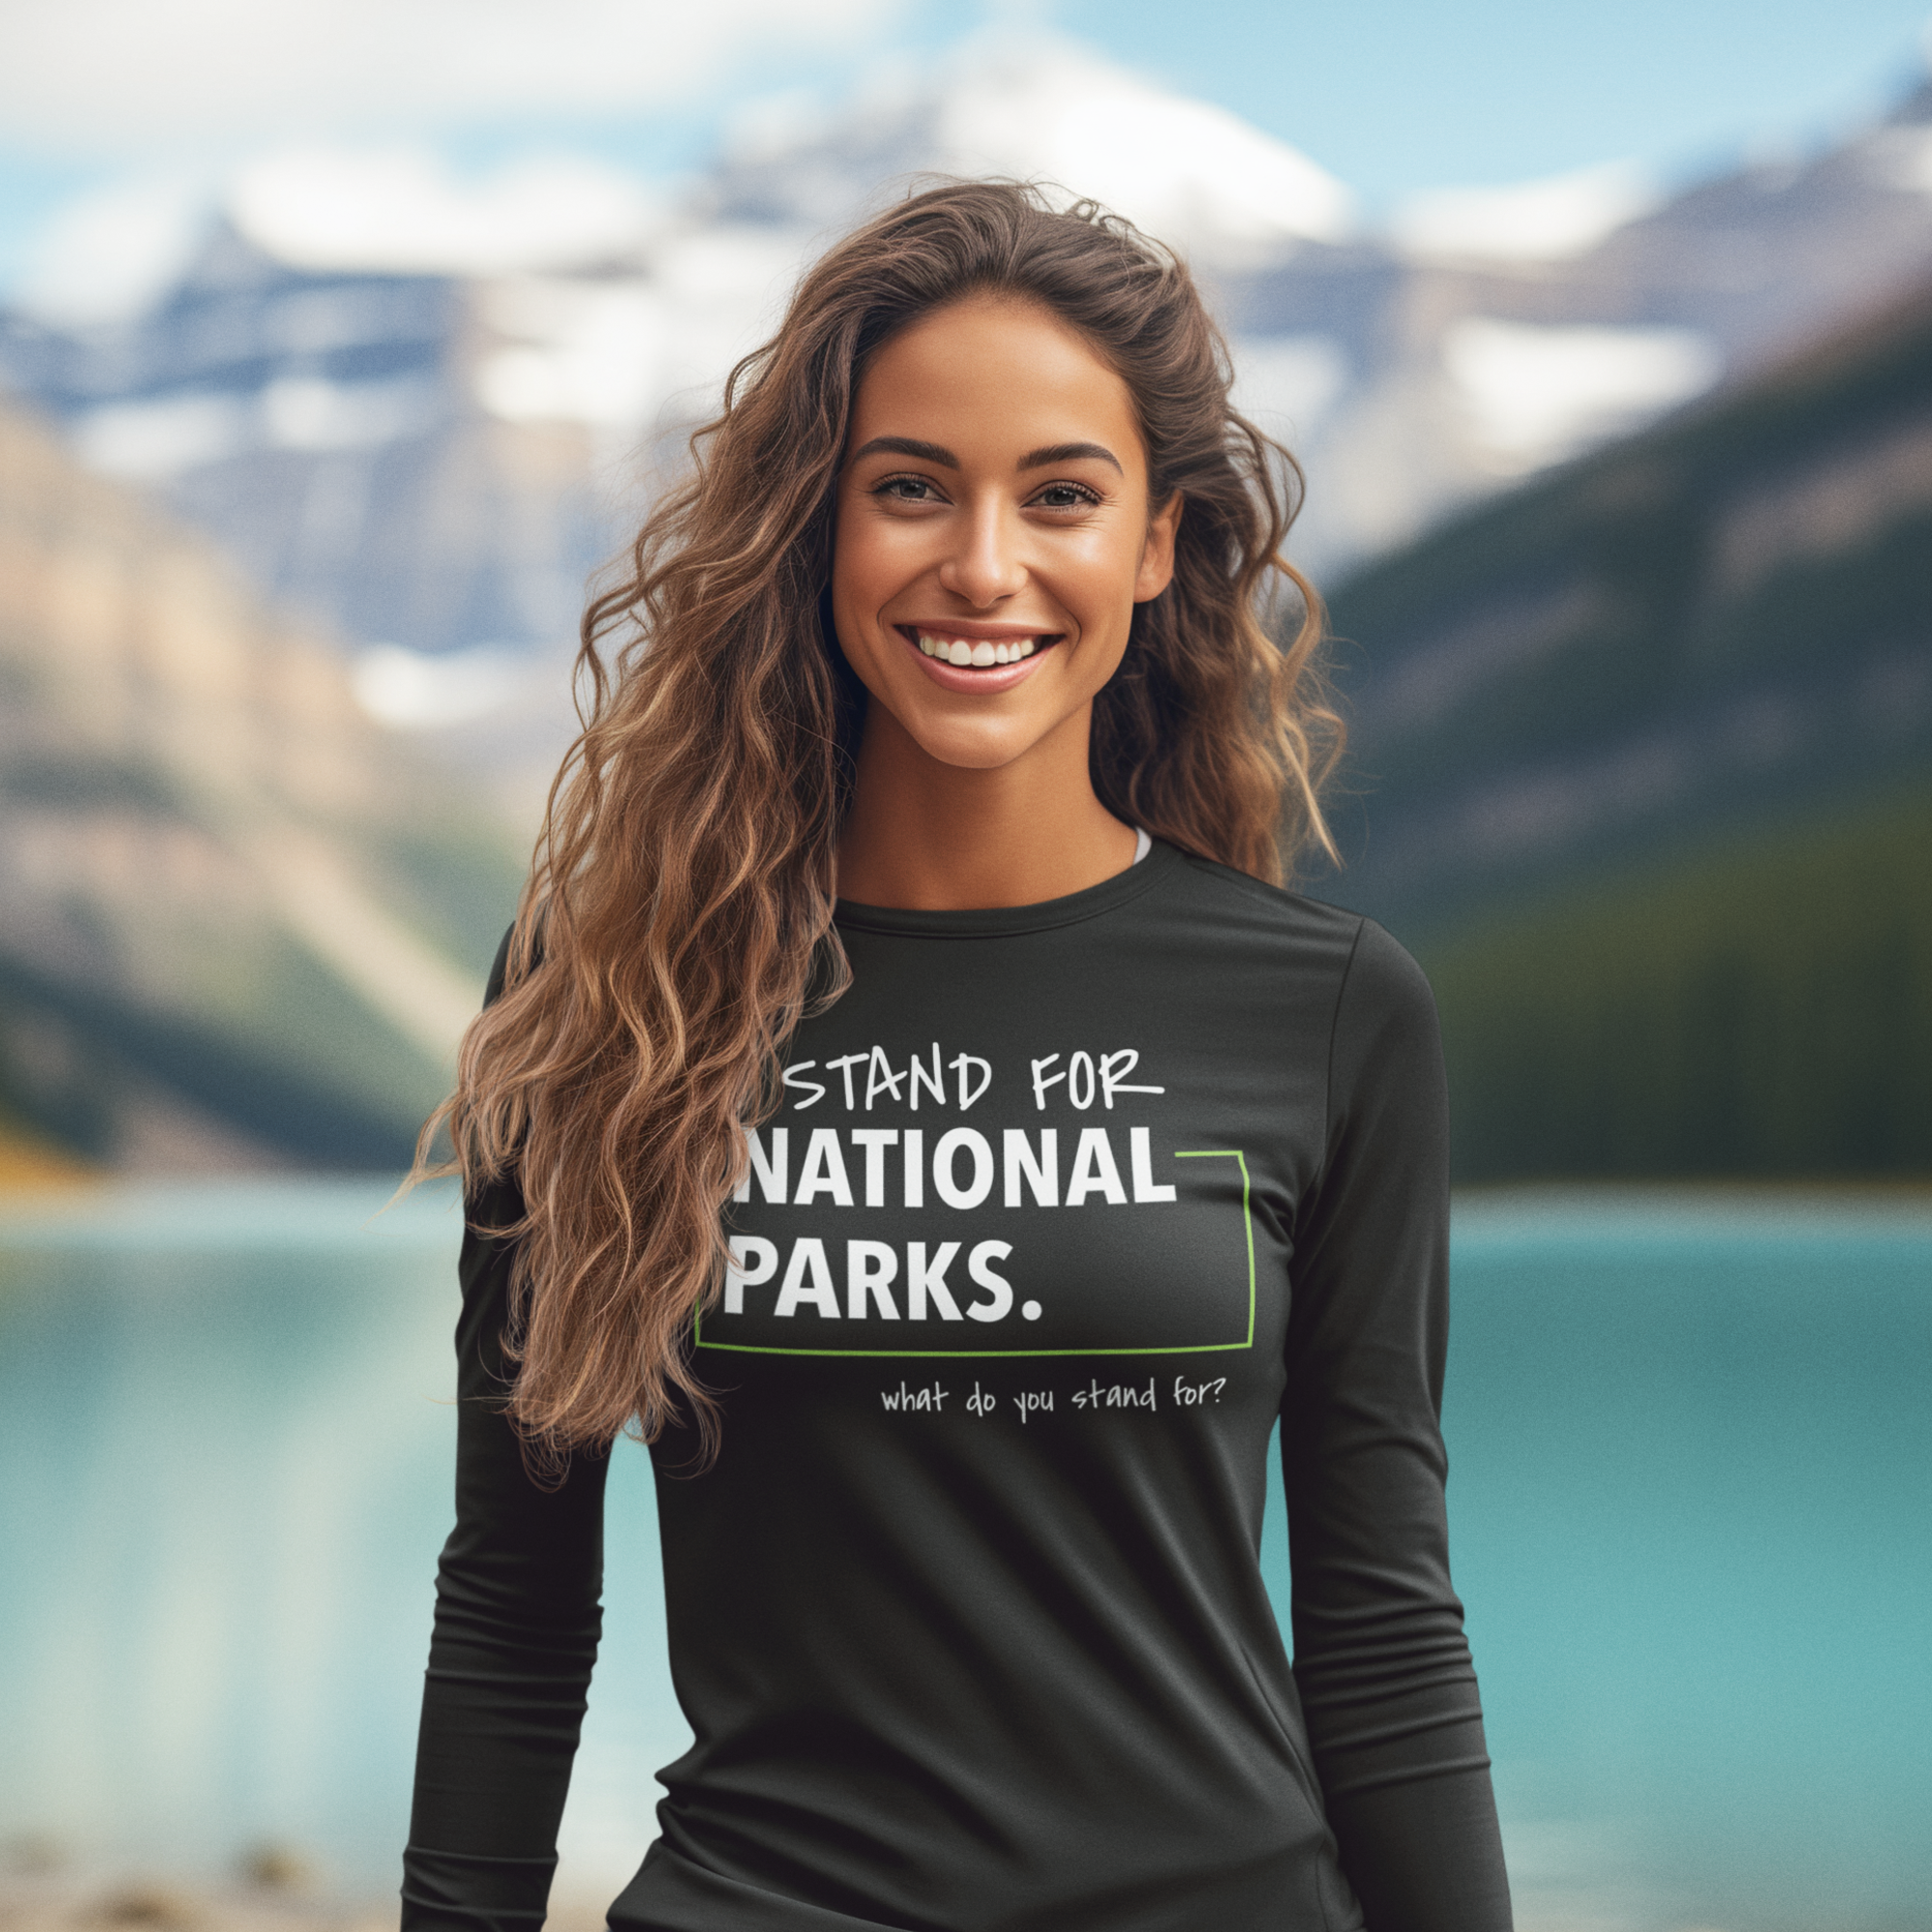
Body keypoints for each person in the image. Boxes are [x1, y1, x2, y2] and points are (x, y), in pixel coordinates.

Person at [401, 180, 1513, 1932]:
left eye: (1061, 495)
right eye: (909, 486)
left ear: (1154, 546)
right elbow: (518, 1600)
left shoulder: (1331, 1011)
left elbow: (1381, 1623)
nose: (982, 563)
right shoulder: (614, 995)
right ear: (815, 531)